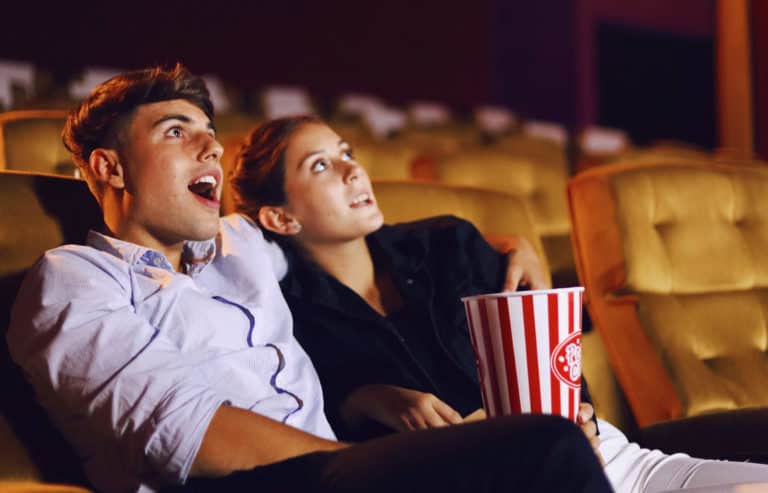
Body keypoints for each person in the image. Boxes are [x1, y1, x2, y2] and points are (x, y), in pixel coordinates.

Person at [6, 65, 612, 493]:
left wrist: (511, 242)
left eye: (210, 134)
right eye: (176, 132)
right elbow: (182, 429)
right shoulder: (75, 279)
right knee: (541, 447)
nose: (210, 148)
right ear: (109, 167)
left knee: (538, 444)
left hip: (338, 472)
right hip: (235, 484)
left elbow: (350, 233)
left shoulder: (240, 243)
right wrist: (385, 461)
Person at [230, 115, 768, 493]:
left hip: (612, 457)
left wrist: (576, 413)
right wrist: (362, 399)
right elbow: (319, 442)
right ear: (281, 218)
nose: (353, 171)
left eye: (346, 152)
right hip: (516, 477)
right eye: (320, 166)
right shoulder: (287, 318)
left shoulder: (449, 245)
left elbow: (551, 361)